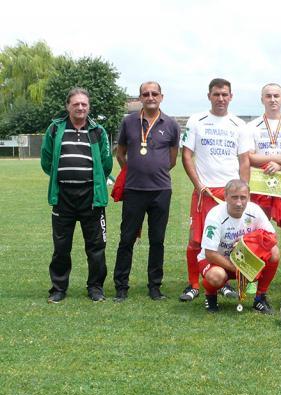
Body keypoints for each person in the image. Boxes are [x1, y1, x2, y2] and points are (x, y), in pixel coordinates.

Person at [181, 78, 250, 302]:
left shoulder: (239, 125)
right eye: (216, 94)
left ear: (231, 96)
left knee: (228, 240)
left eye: (224, 94)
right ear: (209, 96)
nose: (221, 98)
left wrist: (244, 191)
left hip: (229, 194)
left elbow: (244, 161)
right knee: (195, 240)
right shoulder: (196, 120)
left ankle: (222, 282)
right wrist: (198, 184)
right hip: (204, 191)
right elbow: (187, 155)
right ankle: (193, 284)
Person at [41, 87, 112, 303]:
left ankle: (96, 288)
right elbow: (46, 160)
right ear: (68, 106)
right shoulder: (55, 129)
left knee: (96, 246)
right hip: (63, 196)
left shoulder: (98, 131)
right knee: (61, 247)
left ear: (89, 107)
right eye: (76, 104)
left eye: (84, 104)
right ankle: (59, 288)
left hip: (91, 197)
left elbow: (106, 163)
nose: (80, 107)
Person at [113, 81, 181, 301]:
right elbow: (120, 154)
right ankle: (121, 287)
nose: (150, 96)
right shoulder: (129, 122)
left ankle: (154, 286)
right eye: (146, 94)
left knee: (157, 240)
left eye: (154, 93)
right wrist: (134, 171)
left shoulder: (171, 124)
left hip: (161, 190)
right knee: (126, 239)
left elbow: (172, 159)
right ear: (140, 98)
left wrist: (154, 171)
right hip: (134, 190)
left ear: (161, 96)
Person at [242, 83, 281, 291]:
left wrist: (280, 164)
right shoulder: (252, 126)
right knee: (257, 233)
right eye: (268, 96)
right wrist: (275, 157)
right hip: (260, 186)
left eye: (276, 95)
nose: (272, 99)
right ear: (262, 99)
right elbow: (249, 157)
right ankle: (253, 277)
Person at [198, 180, 279, 314]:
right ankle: (210, 295)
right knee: (216, 276)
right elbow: (210, 253)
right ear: (225, 197)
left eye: (243, 197)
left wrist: (248, 242)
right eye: (234, 197)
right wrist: (239, 269)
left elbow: (272, 237)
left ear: (249, 197)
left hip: (242, 259)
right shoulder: (215, 215)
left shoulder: (254, 210)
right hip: (216, 260)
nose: (239, 202)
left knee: (274, 252)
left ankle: (260, 298)